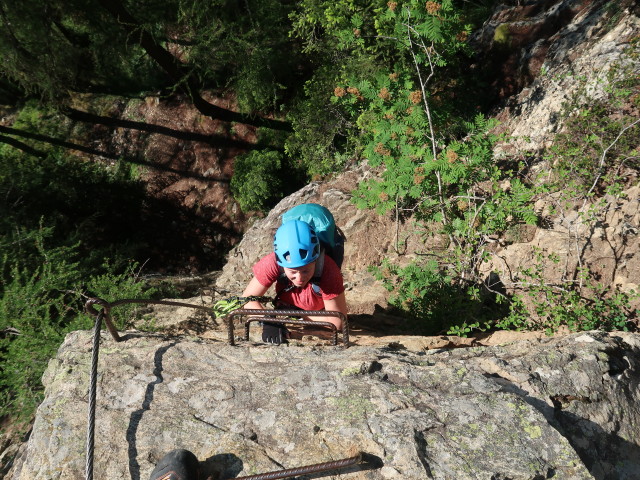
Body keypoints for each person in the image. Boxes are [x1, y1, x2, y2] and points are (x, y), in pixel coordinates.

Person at [241, 219, 348, 344]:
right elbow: (247, 300)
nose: (299, 278)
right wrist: (268, 320)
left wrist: (298, 315)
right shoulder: (272, 262)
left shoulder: (327, 268)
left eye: (305, 271)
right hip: (288, 307)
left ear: (315, 261)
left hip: (316, 310)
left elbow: (338, 322)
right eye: (293, 272)